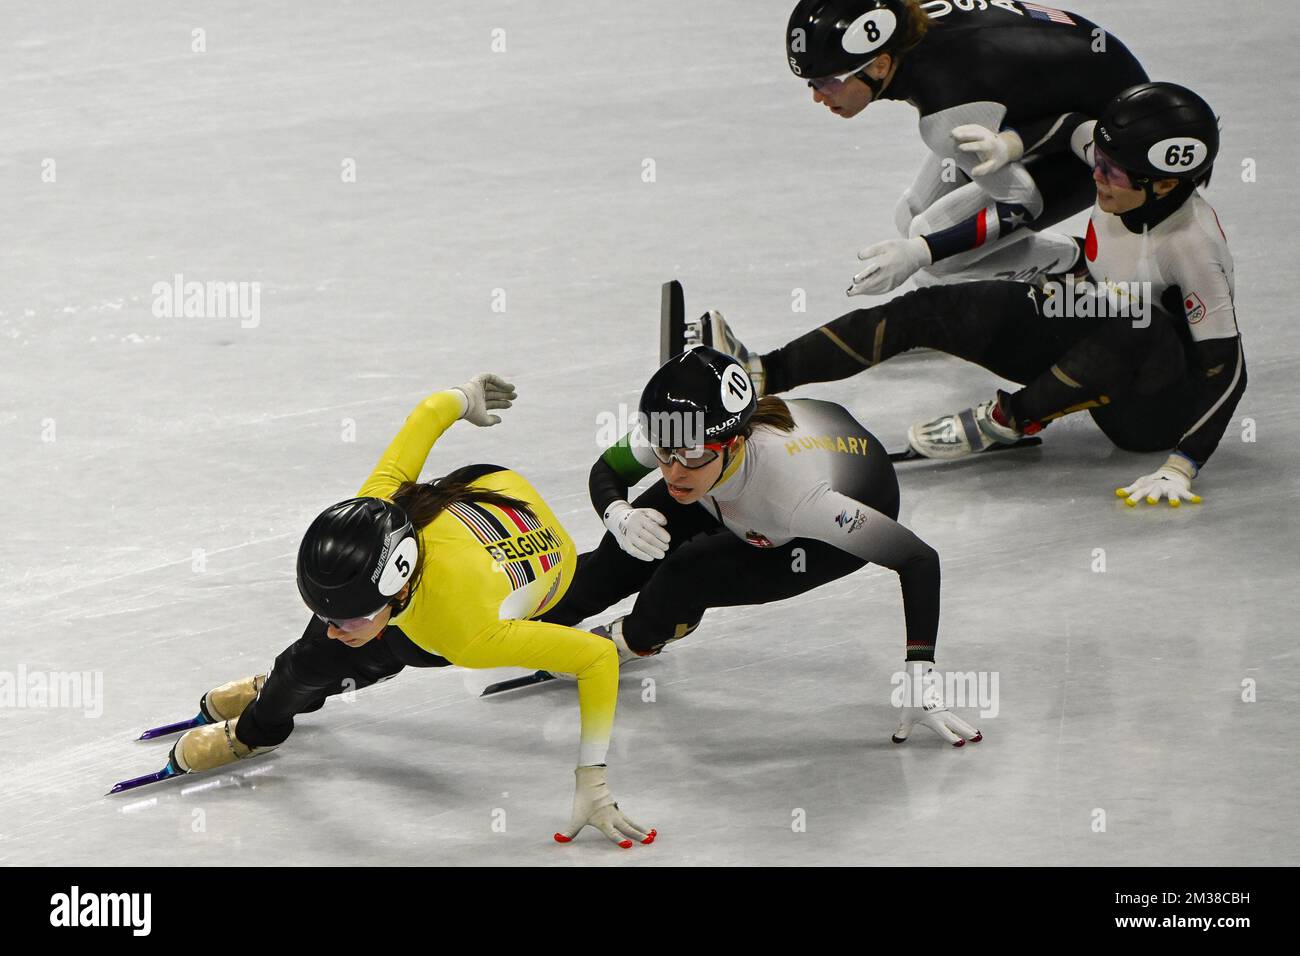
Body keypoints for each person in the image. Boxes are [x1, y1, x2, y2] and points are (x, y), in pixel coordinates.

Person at [151, 374, 655, 848]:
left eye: (347, 616)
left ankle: (259, 728)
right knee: (330, 652)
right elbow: (429, 413)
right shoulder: (377, 507)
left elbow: (596, 658)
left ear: (398, 590)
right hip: (493, 492)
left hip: (516, 573)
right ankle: (287, 687)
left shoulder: (466, 632)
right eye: (327, 613)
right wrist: (467, 395)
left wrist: (592, 777)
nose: (333, 627)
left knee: (351, 657)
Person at [687, 83, 1244, 507]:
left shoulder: (1193, 244)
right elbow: (1072, 124)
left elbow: (1229, 370)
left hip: (1152, 410)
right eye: (1096, 160)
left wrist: (1182, 464)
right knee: (939, 308)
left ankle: (1007, 417)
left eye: (1111, 171)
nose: (1095, 176)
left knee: (1136, 321)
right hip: (1093, 328)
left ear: (1167, 183)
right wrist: (1011, 144)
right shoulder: (1121, 167)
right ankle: (763, 372)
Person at [540, 346, 982, 747]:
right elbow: (608, 471)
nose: (673, 471)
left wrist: (919, 676)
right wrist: (619, 515)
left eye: (692, 455)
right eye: (663, 453)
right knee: (618, 557)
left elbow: (919, 559)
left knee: (684, 575)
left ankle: (634, 638)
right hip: (739, 485)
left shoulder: (798, 499)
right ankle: (568, 609)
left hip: (814, 535)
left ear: (735, 443)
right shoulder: (682, 433)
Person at [785, 0, 1148, 292]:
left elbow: (1021, 201)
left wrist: (922, 252)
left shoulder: (946, 109)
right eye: (810, 84)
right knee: (912, 214)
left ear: (880, 66)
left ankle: (1076, 262)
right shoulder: (910, 25)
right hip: (1072, 98)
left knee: (937, 254)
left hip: (1113, 146)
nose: (818, 97)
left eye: (827, 82)